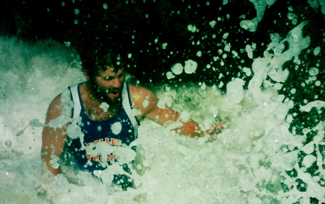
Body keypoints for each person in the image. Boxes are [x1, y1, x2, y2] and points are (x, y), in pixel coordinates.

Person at [41, 41, 226, 187]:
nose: (116, 84)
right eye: (108, 79)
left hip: (126, 197)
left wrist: (204, 134)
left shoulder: (138, 99)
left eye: (120, 76)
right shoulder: (65, 106)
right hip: (84, 194)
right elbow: (49, 165)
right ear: (87, 75)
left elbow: (176, 122)